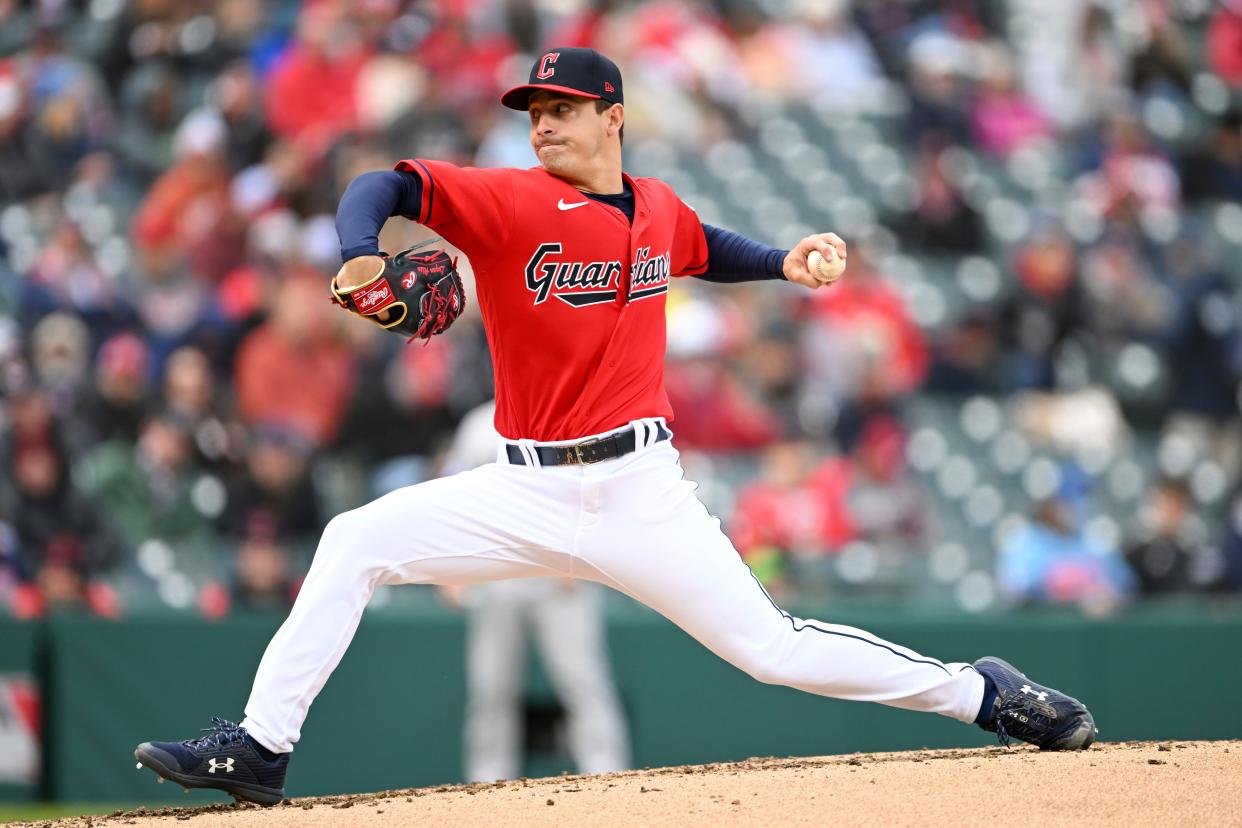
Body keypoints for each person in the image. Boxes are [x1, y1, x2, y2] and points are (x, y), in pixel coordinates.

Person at [134, 48, 1097, 806]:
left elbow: (699, 244)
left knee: (774, 651)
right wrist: (357, 253)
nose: (543, 124)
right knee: (352, 541)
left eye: (559, 109)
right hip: (521, 487)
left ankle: (983, 692)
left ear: (612, 118)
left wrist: (782, 262)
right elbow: (382, 187)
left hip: (640, 492)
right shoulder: (512, 201)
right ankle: (262, 749)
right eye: (533, 111)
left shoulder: (658, 207)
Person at [440, 400, 630, 782]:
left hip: (557, 568)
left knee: (583, 683)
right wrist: (450, 569)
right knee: (491, 688)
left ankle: (609, 778)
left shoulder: (572, 411)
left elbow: (598, 485)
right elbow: (451, 488)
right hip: (498, 569)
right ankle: (487, 784)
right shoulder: (479, 423)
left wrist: (583, 554)